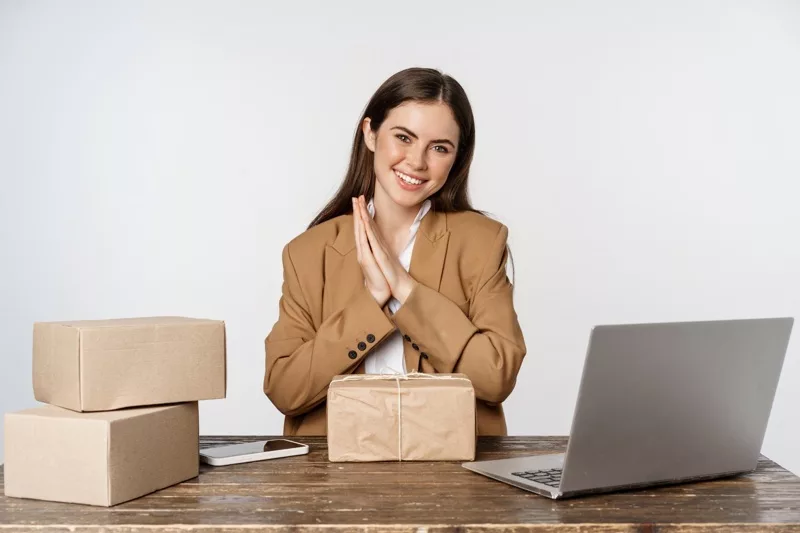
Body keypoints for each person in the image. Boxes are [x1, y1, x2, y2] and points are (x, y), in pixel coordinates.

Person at [264, 67, 526, 437]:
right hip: (336, 477)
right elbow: (285, 389)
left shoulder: (482, 242)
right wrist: (372, 300)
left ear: (456, 158)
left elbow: (496, 376)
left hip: (447, 472)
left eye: (439, 148)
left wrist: (405, 290)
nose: (417, 162)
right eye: (403, 137)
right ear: (370, 133)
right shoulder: (308, 253)